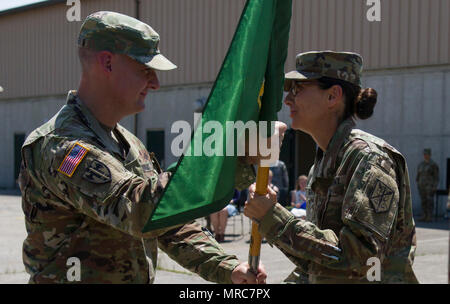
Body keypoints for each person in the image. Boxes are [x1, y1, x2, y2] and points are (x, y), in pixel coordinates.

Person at [17, 11, 271, 284]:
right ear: (107, 63)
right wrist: (230, 156)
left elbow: (167, 223)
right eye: (144, 70)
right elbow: (137, 210)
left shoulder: (130, 144)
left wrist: (225, 267)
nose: (156, 83)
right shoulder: (61, 146)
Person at [244, 51, 418, 283]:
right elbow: (316, 263)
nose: (287, 100)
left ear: (332, 96)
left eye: (298, 89)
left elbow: (358, 261)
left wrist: (273, 217)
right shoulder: (324, 163)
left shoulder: (370, 159)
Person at [416, 148, 439, 222]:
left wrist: (435, 186)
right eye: (424, 154)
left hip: (429, 187)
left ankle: (429, 216)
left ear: (430, 155)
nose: (425, 156)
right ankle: (424, 216)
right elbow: (418, 175)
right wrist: (418, 183)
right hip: (421, 186)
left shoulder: (433, 165)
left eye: (427, 154)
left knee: (430, 202)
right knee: (423, 201)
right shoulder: (421, 164)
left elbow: (436, 177)